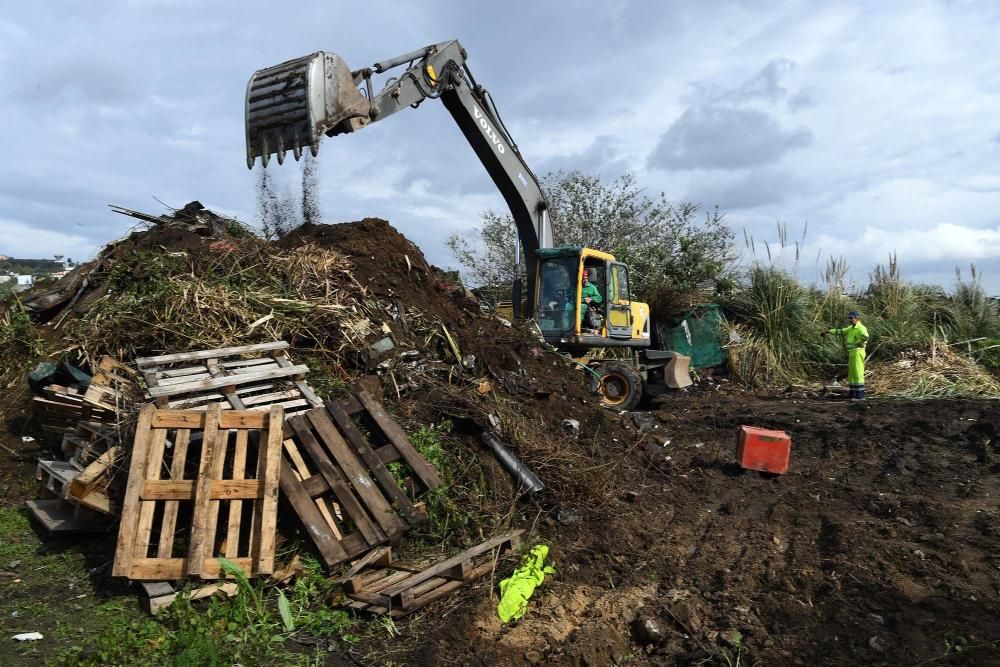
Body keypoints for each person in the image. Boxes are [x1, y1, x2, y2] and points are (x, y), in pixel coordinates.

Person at [821, 310, 869, 400]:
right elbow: (840, 331)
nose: (850, 320)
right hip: (852, 353)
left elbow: (865, 337)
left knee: (857, 373)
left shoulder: (861, 328)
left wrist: (858, 343)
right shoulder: (851, 328)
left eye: (851, 318)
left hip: (857, 352)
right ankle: (853, 394)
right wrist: (828, 332)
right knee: (852, 374)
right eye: (849, 318)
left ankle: (860, 396)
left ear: (857, 318)